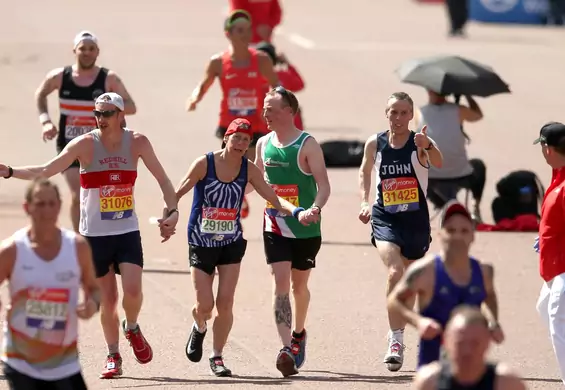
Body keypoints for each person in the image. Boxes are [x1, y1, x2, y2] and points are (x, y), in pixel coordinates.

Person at [0, 92, 179, 380]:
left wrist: (172, 211)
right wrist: (9, 172)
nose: (101, 118)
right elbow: (47, 170)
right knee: (108, 300)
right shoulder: (84, 145)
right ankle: (113, 355)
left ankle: (131, 326)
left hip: (126, 230)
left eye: (107, 113)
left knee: (132, 292)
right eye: (97, 113)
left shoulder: (137, 142)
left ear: (121, 115)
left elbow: (163, 179)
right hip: (94, 236)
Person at [175, 118, 312, 377]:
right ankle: (199, 325)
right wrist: (169, 214)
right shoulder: (205, 163)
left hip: (231, 243)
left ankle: (217, 357)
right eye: (236, 137)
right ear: (226, 138)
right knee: (205, 304)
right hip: (201, 241)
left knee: (225, 303)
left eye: (246, 140)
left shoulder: (248, 170)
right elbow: (178, 192)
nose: (240, 143)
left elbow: (272, 197)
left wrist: (296, 211)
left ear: (249, 145)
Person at [358, 92, 443, 372]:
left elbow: (440, 163)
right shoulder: (376, 143)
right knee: (396, 272)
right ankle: (395, 341)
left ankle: (427, 338)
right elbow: (365, 170)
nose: (397, 118)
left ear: (411, 115)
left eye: (403, 112)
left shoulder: (418, 142)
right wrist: (364, 201)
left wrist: (428, 145)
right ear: (386, 114)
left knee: (412, 282)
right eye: (393, 112)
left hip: (416, 221)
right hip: (385, 217)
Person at [251, 87, 330, 377]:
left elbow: (324, 186)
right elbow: (256, 181)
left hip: (307, 228)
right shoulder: (263, 144)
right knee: (280, 282)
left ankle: (298, 334)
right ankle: (285, 349)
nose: (265, 113)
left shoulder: (307, 145)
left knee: (299, 287)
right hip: (275, 224)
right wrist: (230, 192)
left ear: (289, 111)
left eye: (271, 108)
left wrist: (315, 209)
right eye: (264, 107)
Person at [0, 178, 100, 390]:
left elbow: (93, 288)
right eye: (40, 204)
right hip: (21, 361)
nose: (47, 210)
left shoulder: (77, 247)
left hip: (64, 362)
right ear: (27, 207)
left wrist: (91, 304)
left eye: (51, 203)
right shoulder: (12, 251)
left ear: (60, 205)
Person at [35, 30, 137, 233]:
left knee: (100, 193)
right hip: (69, 142)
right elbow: (41, 94)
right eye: (82, 48)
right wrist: (45, 121)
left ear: (97, 52)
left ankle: (103, 235)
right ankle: (79, 240)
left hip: (100, 144)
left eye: (91, 49)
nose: (87, 53)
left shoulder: (109, 79)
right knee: (78, 191)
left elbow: (132, 106)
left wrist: (112, 111)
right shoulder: (59, 77)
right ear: (74, 50)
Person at [388, 200, 504, 369]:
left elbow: (490, 295)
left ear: (473, 235)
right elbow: (394, 301)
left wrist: (493, 322)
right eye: (450, 230)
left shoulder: (484, 272)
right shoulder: (424, 271)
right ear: (439, 234)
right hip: (434, 369)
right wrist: (418, 322)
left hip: (471, 368)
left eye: (464, 231)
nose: (457, 236)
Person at [187, 9, 279, 218]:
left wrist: (280, 107)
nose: (245, 35)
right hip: (229, 124)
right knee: (233, 161)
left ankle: (249, 196)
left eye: (247, 30)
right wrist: (194, 99)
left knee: (254, 166)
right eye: (239, 30)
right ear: (228, 33)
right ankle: (240, 199)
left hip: (256, 123)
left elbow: (276, 86)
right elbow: (204, 85)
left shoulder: (262, 60)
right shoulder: (218, 62)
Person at [412, 306, 527, 390]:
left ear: (487, 343)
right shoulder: (429, 383)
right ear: (446, 342)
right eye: (460, 343)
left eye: (475, 343)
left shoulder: (507, 384)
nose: (467, 351)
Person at [415, 90, 484, 222]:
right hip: (460, 174)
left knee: (415, 169)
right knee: (478, 166)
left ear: (429, 91)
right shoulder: (459, 110)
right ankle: (475, 207)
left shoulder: (419, 112)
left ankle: (443, 204)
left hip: (431, 176)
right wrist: (467, 95)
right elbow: (478, 115)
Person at [533, 122, 565, 385]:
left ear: (547, 148)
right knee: (545, 308)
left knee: (558, 321)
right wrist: (544, 237)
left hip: (563, 267)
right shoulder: (558, 174)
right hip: (553, 266)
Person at [256, 41, 306, 130]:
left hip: (263, 127)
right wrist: (287, 64)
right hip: (288, 126)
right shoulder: (283, 75)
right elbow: (300, 84)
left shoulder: (252, 78)